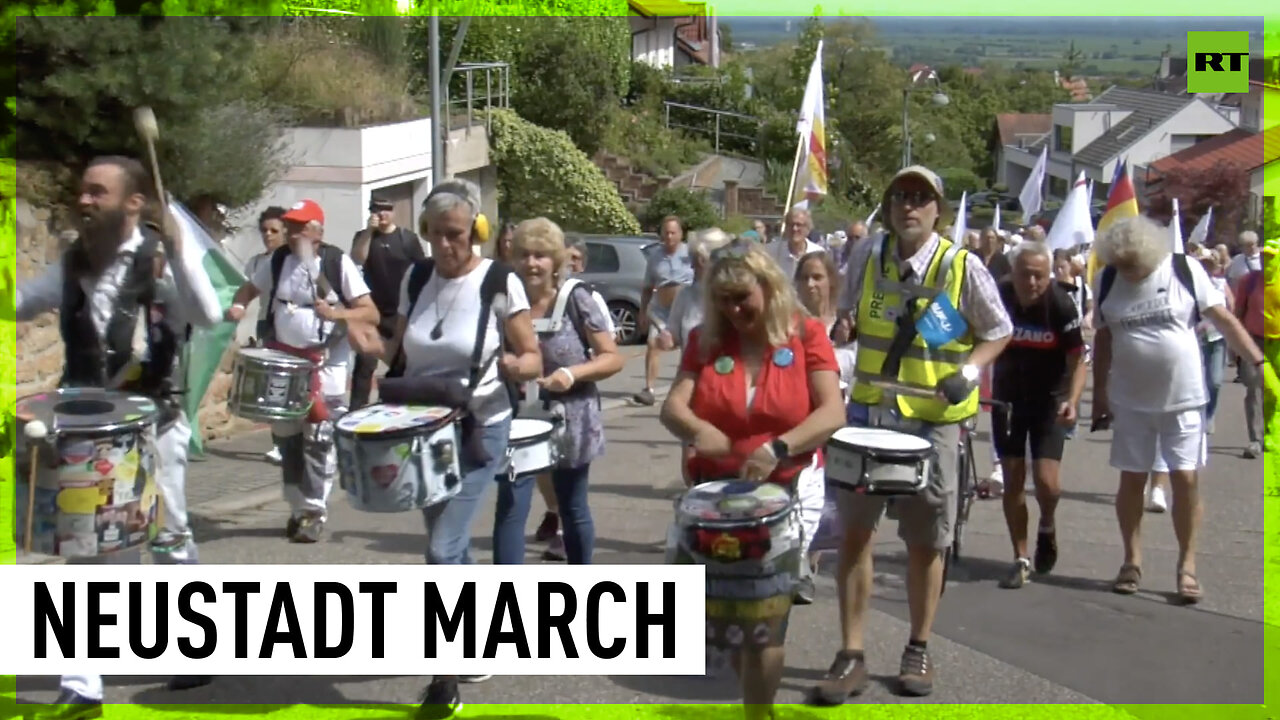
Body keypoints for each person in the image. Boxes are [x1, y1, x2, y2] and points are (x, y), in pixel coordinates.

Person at [14, 155, 225, 715]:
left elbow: (207, 315)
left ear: (134, 203)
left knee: (168, 537)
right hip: (88, 429)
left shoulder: (160, 260)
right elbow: (17, 302)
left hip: (155, 426)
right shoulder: (72, 266)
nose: (84, 201)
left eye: (97, 192)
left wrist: (182, 250)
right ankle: (82, 685)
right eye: (82, 192)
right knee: (89, 548)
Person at [814, 165, 1012, 701]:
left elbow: (999, 331)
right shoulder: (868, 254)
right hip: (871, 415)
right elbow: (848, 314)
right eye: (900, 194)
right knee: (854, 535)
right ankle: (850, 653)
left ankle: (918, 646)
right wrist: (839, 330)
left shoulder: (960, 266)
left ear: (938, 210)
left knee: (927, 541)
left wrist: (966, 373)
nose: (909, 205)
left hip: (932, 423)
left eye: (921, 197)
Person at [375, 179, 541, 718]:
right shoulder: (416, 276)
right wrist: (363, 340)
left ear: (476, 232)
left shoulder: (499, 281)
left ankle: (444, 678)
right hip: (421, 433)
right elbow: (396, 348)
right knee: (450, 547)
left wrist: (520, 366)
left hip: (478, 429)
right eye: (437, 235)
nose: (446, 245)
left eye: (456, 235)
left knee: (441, 550)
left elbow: (531, 354)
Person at [659, 245, 845, 720]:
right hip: (717, 504)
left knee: (766, 619)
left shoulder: (806, 335)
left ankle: (757, 714)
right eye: (722, 299)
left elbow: (831, 412)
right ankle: (756, 707)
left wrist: (778, 447)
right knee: (731, 619)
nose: (733, 310)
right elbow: (673, 407)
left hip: (784, 496)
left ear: (769, 287)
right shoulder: (705, 339)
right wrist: (700, 431)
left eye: (742, 297)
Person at [1090, 215, 1272, 603]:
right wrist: (1100, 397)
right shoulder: (1106, 279)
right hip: (1131, 401)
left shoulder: (1182, 270)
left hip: (1185, 399)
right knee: (1132, 481)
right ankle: (1131, 560)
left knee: (1185, 479)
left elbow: (1222, 319)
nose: (1129, 274)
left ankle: (1186, 565)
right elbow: (1104, 339)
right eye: (1122, 268)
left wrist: (1258, 364)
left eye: (1134, 267)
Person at [225, 199, 380, 543]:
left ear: (316, 231)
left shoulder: (337, 262)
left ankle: (313, 510)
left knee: (319, 437)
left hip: (326, 363)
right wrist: (238, 305)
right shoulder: (279, 260)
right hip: (285, 361)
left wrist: (337, 315)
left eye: (299, 226)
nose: (292, 233)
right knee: (286, 436)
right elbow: (250, 288)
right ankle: (296, 506)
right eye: (290, 226)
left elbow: (370, 313)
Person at [498, 218, 625, 566]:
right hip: (519, 419)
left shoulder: (576, 298)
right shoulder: (505, 300)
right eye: (524, 255)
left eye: (541, 255)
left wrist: (571, 373)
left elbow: (612, 358)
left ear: (556, 261)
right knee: (511, 506)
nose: (532, 263)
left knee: (572, 506)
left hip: (571, 417)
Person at [990, 242, 1087, 588]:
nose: (1032, 283)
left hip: (1049, 399)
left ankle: (1047, 522)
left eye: (1040, 276)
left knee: (1048, 482)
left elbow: (1078, 361)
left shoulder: (1060, 304)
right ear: (1012, 273)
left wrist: (1072, 400)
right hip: (1008, 398)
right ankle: (1020, 556)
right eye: (1025, 275)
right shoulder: (999, 294)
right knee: (1013, 478)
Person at [793, 250, 857, 599]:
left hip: (845, 418)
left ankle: (812, 556)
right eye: (805, 278)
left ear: (832, 281)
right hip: (806, 418)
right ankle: (803, 561)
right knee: (808, 490)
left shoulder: (847, 323)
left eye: (818, 277)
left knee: (833, 496)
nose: (811, 284)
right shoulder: (788, 324)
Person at [349, 194, 427, 410]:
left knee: (400, 363)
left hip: (399, 311)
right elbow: (357, 258)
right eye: (377, 210)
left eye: (386, 209)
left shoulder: (406, 238)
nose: (382, 214)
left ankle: (399, 405)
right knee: (364, 365)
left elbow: (422, 270)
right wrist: (368, 232)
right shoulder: (364, 237)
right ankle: (356, 409)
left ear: (393, 212)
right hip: (373, 311)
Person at [633, 215, 694, 406]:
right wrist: (642, 312)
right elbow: (647, 287)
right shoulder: (655, 256)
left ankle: (687, 389)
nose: (669, 237)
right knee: (653, 344)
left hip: (686, 309)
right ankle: (649, 389)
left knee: (689, 349)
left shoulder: (690, 253)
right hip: (661, 310)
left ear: (680, 234)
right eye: (665, 233)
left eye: (673, 233)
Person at [246, 206, 289, 464]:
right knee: (271, 386)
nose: (269, 235)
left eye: (274, 230)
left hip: (289, 325)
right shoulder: (257, 262)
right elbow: (242, 288)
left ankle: (297, 441)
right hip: (266, 325)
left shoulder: (290, 261)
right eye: (265, 230)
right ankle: (279, 443)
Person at [1192, 248, 1233, 434]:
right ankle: (1196, 416)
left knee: (1215, 381)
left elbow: (1231, 307)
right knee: (1196, 381)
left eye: (1208, 264)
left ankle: (1210, 414)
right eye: (1202, 264)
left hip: (1217, 338)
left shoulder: (1220, 283)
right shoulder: (1188, 284)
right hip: (1194, 339)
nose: (1205, 267)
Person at [1234, 244, 1269, 458]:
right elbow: (1237, 313)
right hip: (1253, 341)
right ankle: (1255, 440)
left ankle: (1272, 435)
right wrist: (1236, 343)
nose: (1267, 261)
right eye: (1264, 257)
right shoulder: (1250, 281)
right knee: (1254, 390)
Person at [765, 207, 824, 282]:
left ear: (808, 228)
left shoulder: (818, 253)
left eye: (799, 225)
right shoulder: (770, 251)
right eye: (791, 224)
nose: (794, 228)